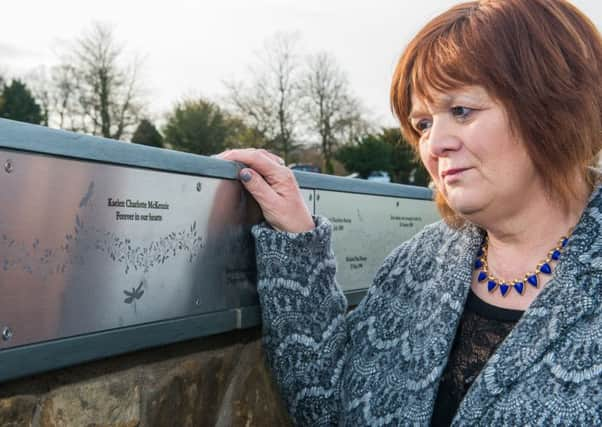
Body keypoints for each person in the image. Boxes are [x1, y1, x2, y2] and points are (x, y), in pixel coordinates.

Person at [218, 0, 602, 425]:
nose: (435, 145)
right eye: (422, 124)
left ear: (553, 105)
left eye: (461, 111)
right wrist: (295, 236)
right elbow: (327, 406)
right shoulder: (416, 267)